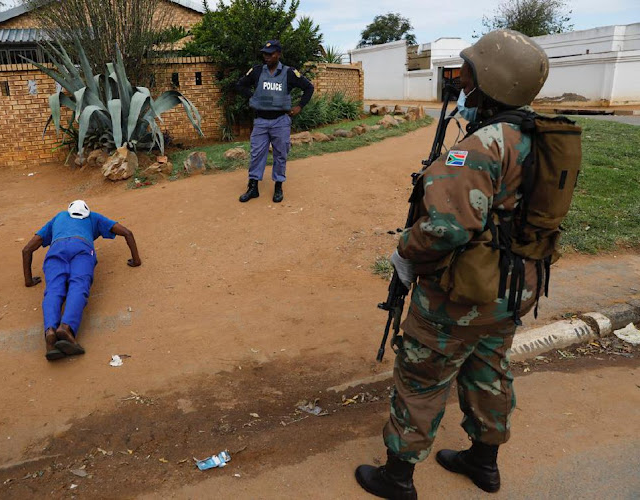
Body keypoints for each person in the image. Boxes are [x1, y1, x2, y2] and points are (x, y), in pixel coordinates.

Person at [355, 30, 553, 499]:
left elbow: (447, 228)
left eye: (468, 73)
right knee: (488, 369)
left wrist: (404, 251)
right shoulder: (537, 136)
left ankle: (397, 477)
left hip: (463, 292)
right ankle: (484, 464)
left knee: (422, 376)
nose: (460, 83)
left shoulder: (482, 145)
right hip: (515, 285)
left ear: (493, 81)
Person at [22, 200, 141, 361]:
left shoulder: (59, 217)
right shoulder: (94, 217)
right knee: (78, 286)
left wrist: (28, 281)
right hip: (82, 248)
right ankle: (67, 328)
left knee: (54, 291)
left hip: (56, 250)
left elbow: (27, 249)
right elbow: (127, 232)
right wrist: (136, 260)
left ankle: (50, 331)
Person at [235, 39, 314, 203]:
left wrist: (299, 107)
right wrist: (254, 97)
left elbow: (309, 87)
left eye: (270, 54)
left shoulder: (289, 72)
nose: (267, 56)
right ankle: (253, 187)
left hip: (281, 121)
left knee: (280, 154)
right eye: (265, 53)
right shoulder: (257, 71)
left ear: (278, 54)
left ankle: (278, 186)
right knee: (256, 154)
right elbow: (240, 85)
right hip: (261, 122)